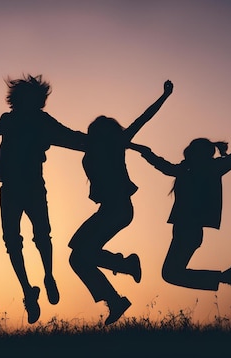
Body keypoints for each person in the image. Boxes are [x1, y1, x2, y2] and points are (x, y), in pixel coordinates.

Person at [0, 74, 86, 324]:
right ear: (17, 100)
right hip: (9, 187)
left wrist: (97, 142)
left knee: (41, 235)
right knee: (12, 241)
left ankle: (48, 277)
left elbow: (69, 136)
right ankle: (28, 292)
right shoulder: (9, 119)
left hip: (32, 186)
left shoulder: (42, 121)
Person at [129, 125, 231, 293]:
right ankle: (227, 276)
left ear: (196, 153)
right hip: (183, 228)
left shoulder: (212, 168)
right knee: (171, 273)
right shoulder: (184, 170)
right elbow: (162, 165)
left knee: (170, 273)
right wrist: (141, 149)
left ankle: (228, 276)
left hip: (190, 229)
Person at [68, 80, 173, 325]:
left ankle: (123, 268)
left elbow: (143, 119)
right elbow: (60, 137)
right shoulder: (88, 147)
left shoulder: (116, 144)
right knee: (77, 258)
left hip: (119, 209)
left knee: (80, 256)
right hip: (110, 209)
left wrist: (164, 96)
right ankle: (118, 290)